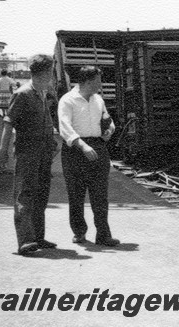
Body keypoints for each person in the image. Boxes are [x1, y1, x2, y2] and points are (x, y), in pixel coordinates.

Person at [0, 55, 59, 255]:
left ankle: (38, 237)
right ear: (45, 72)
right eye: (51, 72)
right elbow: (8, 123)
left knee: (41, 194)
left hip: (44, 150)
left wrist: (52, 137)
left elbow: (47, 118)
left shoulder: (44, 93)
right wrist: (3, 151)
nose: (52, 76)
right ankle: (25, 240)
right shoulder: (23, 94)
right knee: (25, 194)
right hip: (27, 151)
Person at [58, 65, 120, 247]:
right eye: (98, 82)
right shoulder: (68, 100)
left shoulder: (98, 100)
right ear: (87, 81)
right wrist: (82, 145)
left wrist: (109, 131)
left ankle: (103, 234)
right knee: (76, 195)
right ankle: (79, 233)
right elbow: (64, 127)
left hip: (98, 147)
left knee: (100, 195)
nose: (100, 86)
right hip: (75, 150)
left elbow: (107, 119)